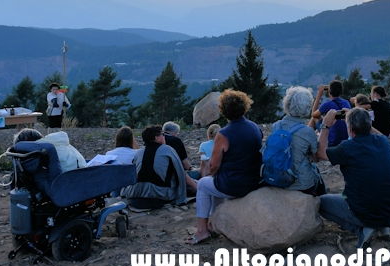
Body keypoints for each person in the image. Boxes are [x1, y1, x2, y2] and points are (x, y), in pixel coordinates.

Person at [316, 107, 390, 249]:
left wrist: (325, 126)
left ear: (349, 129)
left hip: (365, 212)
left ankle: (362, 229)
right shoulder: (383, 143)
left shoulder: (347, 147)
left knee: (321, 203)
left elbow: (321, 153)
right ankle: (382, 227)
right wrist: (359, 117)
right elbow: (380, 135)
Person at [187, 90, 262, 245]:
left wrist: (212, 173)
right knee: (214, 184)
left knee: (203, 184)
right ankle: (213, 225)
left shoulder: (223, 134)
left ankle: (202, 231)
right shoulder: (255, 127)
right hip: (254, 180)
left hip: (234, 184)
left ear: (223, 111)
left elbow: (213, 166)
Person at [122, 125, 193, 210]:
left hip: (135, 195)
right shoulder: (168, 150)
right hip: (160, 195)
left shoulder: (139, 152)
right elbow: (181, 174)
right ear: (157, 138)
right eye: (162, 135)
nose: (164, 137)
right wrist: (182, 197)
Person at [273, 86, 323, 195]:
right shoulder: (308, 132)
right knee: (316, 174)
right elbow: (316, 159)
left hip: (277, 178)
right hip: (300, 183)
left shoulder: (276, 126)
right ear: (306, 107)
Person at [310, 80, 351, 146]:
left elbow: (313, 114)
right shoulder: (346, 102)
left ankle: (307, 138)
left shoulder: (327, 105)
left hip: (332, 141)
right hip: (345, 139)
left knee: (315, 118)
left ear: (329, 92)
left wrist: (318, 96)